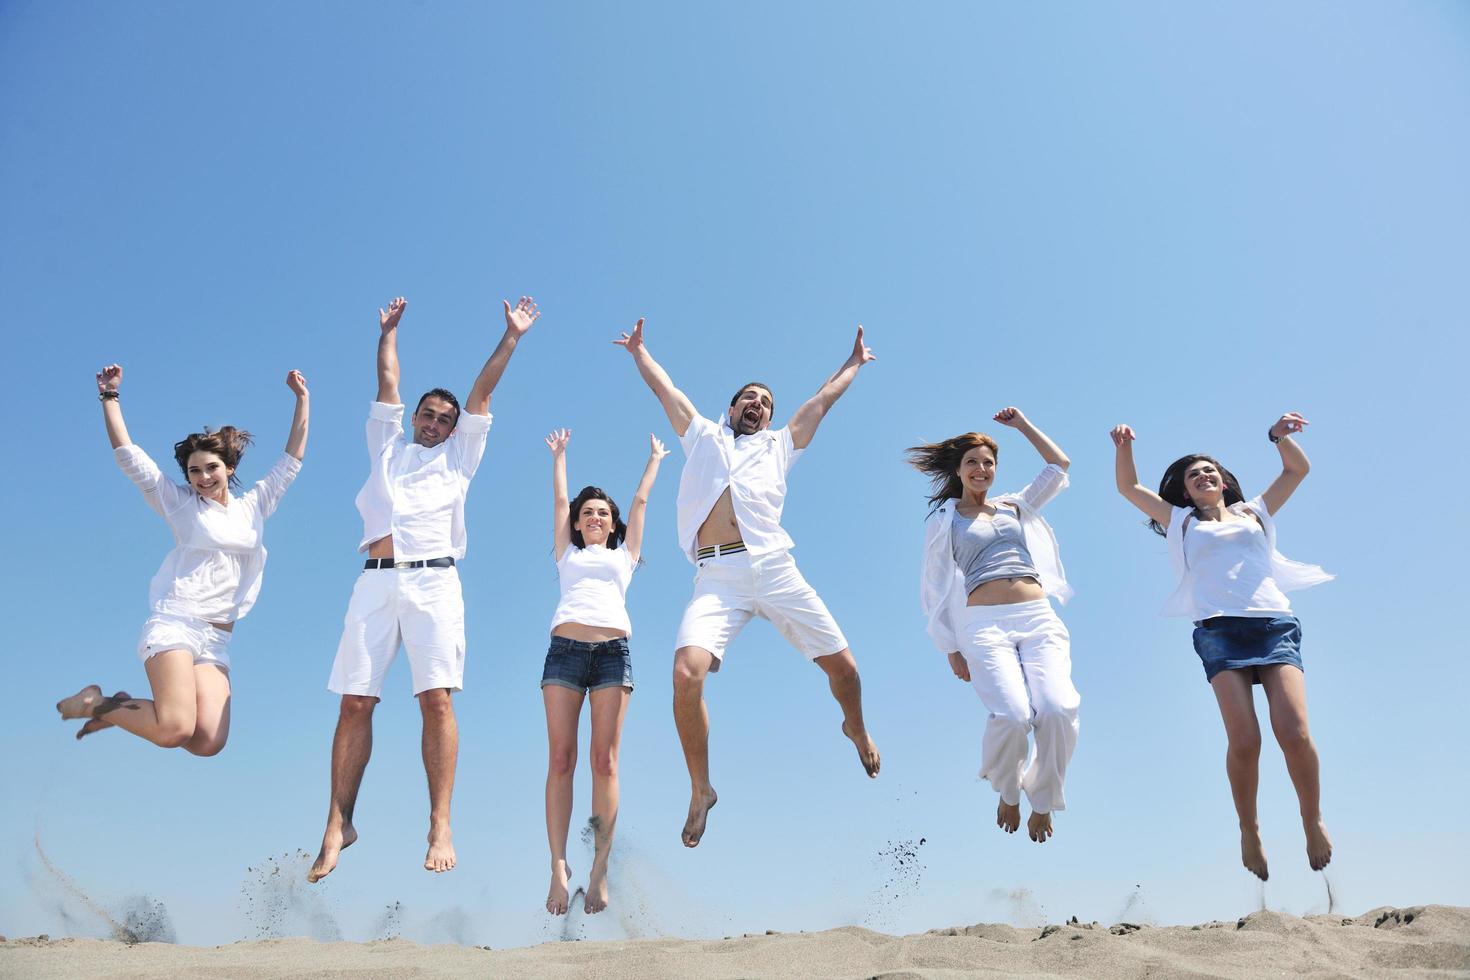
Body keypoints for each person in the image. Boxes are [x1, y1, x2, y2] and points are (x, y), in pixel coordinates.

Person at [614, 316, 882, 849]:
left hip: (776, 568)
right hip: (717, 575)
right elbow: (665, 390)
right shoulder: (704, 437)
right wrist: (640, 352)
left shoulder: (781, 446)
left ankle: (854, 726)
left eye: (765, 401)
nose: (757, 405)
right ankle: (700, 786)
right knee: (685, 675)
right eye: (748, 399)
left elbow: (822, 401)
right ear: (732, 408)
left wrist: (852, 363)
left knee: (846, 671)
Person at [307, 295, 540, 883]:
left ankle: (440, 822)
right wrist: (387, 332)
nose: (434, 422)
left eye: (444, 418)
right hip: (374, 583)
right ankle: (339, 822)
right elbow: (387, 381)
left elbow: (482, 392)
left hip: (435, 582)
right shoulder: (387, 447)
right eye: (427, 414)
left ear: (455, 428)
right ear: (414, 417)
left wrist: (511, 338)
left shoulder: (461, 457)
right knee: (354, 701)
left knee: (435, 698)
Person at [1110, 413, 1333, 880]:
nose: (1202, 476)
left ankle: (1311, 819)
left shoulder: (1256, 512)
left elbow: (1297, 471)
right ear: (1186, 492)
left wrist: (1277, 437)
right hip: (1218, 630)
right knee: (1246, 741)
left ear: (1223, 481)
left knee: (1293, 732)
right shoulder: (1181, 522)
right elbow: (1129, 488)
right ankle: (1249, 829)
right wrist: (1124, 446)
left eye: (1209, 470)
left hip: (1273, 622)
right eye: (1193, 476)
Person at [57, 364, 309, 754]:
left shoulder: (255, 505)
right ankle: (101, 704)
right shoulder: (179, 504)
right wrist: (109, 397)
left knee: (207, 741)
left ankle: (118, 706)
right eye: (194, 471)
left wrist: (302, 399)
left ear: (230, 468)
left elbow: (291, 459)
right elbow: (129, 456)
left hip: (217, 639)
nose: (204, 477)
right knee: (174, 729)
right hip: (176, 623)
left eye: (211, 468)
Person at [908, 408, 1079, 843]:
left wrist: (1023, 425)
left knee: (1057, 709)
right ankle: (1007, 790)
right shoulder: (944, 521)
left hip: (1038, 617)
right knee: (1013, 714)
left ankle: (1043, 799)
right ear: (959, 470)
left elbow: (1059, 465)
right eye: (972, 462)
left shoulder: (1015, 506)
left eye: (988, 463)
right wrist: (950, 647)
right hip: (984, 626)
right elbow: (932, 587)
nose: (981, 469)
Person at [541, 428, 669, 916]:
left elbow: (639, 502)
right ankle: (557, 865)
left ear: (612, 524)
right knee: (560, 761)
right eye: (587, 512)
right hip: (564, 653)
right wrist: (560, 456)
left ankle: (599, 867)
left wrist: (654, 458)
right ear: (576, 524)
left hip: (613, 653)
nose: (595, 517)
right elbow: (558, 499)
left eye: (603, 513)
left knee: (605, 763)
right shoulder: (566, 553)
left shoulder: (625, 556)